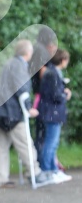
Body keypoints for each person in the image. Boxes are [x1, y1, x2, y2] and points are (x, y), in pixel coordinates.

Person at [0, 39, 52, 188]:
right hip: (12, 112)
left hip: (0, 111)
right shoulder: (19, 66)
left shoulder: (8, 64)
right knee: (26, 145)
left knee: (1, 146)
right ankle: (35, 173)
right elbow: (22, 90)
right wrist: (28, 108)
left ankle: (0, 178)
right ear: (28, 52)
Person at [38, 49, 72, 183]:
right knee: (51, 143)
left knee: (52, 143)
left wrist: (62, 91)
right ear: (63, 60)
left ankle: (53, 170)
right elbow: (55, 95)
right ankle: (47, 171)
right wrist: (65, 95)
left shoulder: (51, 72)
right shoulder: (53, 73)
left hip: (51, 112)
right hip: (52, 113)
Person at [29, 26, 58, 157]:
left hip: (36, 91)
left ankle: (40, 160)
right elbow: (42, 72)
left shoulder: (36, 48)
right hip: (41, 95)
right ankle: (41, 162)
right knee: (43, 132)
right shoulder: (41, 51)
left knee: (40, 130)